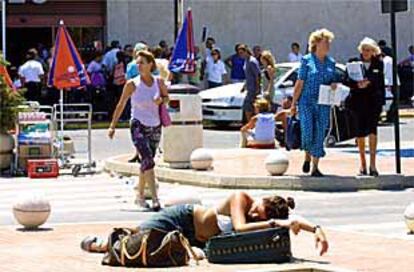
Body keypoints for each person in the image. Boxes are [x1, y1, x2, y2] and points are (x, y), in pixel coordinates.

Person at [81, 192, 329, 258]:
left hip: (196, 238)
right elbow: (240, 228)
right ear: (262, 200)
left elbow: (296, 220)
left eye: (258, 216)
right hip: (183, 218)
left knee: (152, 249)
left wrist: (316, 229)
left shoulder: (262, 220)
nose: (253, 213)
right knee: (141, 233)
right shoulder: (241, 198)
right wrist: (277, 222)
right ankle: (104, 244)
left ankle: (110, 245)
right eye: (257, 209)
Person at [108, 50, 169, 211]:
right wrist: (112, 125)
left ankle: (139, 195)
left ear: (150, 64)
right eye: (137, 62)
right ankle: (155, 199)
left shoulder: (159, 82)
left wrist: (161, 100)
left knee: (146, 161)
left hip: (155, 125)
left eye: (142, 62)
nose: (139, 65)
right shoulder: (132, 84)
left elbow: (167, 98)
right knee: (148, 159)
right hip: (138, 124)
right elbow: (121, 104)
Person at [290, 28, 339, 177]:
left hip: (323, 103)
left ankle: (315, 167)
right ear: (316, 43)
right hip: (306, 102)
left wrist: (334, 84)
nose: (328, 45)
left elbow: (334, 79)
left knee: (319, 133)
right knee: (307, 131)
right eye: (325, 42)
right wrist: (293, 103)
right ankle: (307, 156)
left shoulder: (331, 62)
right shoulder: (306, 60)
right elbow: (300, 82)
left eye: (329, 42)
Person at [344, 37, 385, 177]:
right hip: (357, 102)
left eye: (369, 50)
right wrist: (357, 85)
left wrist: (368, 82)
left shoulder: (379, 64)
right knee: (360, 133)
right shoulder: (353, 62)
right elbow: (346, 80)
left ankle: (373, 164)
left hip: (373, 102)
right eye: (364, 50)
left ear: (373, 51)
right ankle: (362, 164)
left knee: (372, 131)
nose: (366, 53)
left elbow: (379, 81)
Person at [240, 45, 261, 122]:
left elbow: (257, 75)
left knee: (248, 107)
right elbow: (248, 75)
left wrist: (258, 88)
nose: (241, 55)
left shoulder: (252, 61)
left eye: (242, 53)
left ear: (246, 51)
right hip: (249, 87)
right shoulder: (246, 61)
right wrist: (244, 86)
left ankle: (251, 124)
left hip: (253, 89)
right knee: (249, 107)